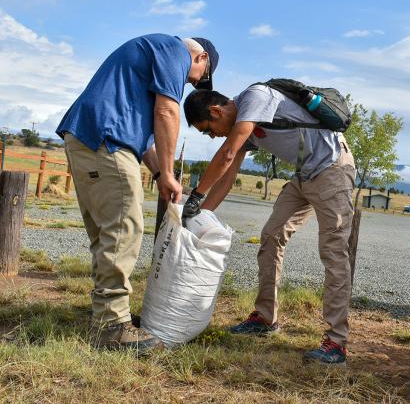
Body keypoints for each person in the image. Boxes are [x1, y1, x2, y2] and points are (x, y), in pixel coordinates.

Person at [56, 34, 219, 353]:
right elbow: (167, 113)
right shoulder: (174, 50)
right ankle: (112, 327)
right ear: (200, 58)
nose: (190, 82)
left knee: (107, 234)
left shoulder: (148, 60)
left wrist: (160, 173)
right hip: (105, 141)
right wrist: (171, 174)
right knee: (123, 229)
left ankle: (105, 317)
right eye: (197, 78)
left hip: (89, 137)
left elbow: (143, 140)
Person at [181, 85, 356, 365]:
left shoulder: (255, 97)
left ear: (216, 111)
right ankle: (265, 318)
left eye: (208, 130)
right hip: (305, 175)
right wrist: (198, 215)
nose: (213, 136)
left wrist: (196, 195)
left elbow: (227, 152)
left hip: (332, 170)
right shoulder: (244, 124)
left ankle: (336, 342)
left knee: (333, 251)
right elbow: (228, 175)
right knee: (271, 237)